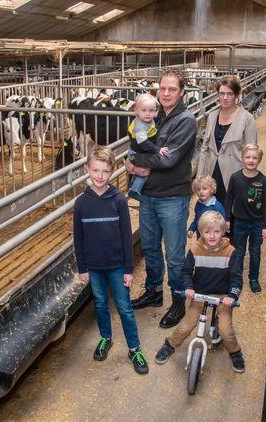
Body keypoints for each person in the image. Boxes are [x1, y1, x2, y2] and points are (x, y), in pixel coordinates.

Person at [126, 70, 197, 329]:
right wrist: (135, 163)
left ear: (182, 92)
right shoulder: (152, 115)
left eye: (172, 89)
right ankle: (154, 291)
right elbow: (135, 144)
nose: (166, 93)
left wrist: (135, 163)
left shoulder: (185, 120)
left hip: (172, 197)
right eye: (162, 89)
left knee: (175, 255)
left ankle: (177, 300)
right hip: (148, 195)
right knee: (150, 247)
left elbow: (168, 159)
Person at [73, 145, 149, 374]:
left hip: (117, 265)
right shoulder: (81, 203)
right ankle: (106, 337)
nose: (99, 176)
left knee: (125, 308)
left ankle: (134, 348)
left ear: (112, 171)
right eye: (95, 170)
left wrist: (128, 269)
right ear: (87, 169)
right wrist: (82, 268)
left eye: (105, 171)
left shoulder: (118, 200)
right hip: (93, 266)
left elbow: (126, 236)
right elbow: (79, 238)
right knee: (100, 304)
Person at [153, 211, 245, 373]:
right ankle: (170, 345)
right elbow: (186, 271)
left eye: (216, 231)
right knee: (186, 325)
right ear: (201, 232)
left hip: (223, 296)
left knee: (226, 330)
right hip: (200, 293)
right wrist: (188, 287)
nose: (212, 236)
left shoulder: (231, 251)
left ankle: (235, 352)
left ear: (223, 231)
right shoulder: (195, 249)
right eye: (207, 232)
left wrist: (232, 296)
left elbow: (236, 278)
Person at [197, 75, 258, 207]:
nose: (225, 98)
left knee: (230, 216)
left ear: (236, 95)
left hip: (233, 176)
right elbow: (204, 148)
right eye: (222, 93)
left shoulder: (247, 119)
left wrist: (247, 182)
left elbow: (252, 154)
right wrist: (200, 178)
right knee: (211, 215)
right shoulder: (212, 116)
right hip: (211, 175)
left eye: (229, 94)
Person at [225, 143, 266, 293]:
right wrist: (227, 219)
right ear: (242, 158)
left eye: (254, 158)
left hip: (257, 223)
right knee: (238, 251)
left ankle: (253, 278)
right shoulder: (235, 178)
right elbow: (229, 199)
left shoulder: (263, 180)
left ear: (260, 160)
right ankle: (236, 280)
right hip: (239, 222)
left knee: (255, 251)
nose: (251, 160)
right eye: (248, 157)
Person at [127, 93, 170, 197]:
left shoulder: (148, 121)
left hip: (139, 151)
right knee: (145, 171)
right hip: (138, 152)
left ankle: (133, 184)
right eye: (144, 110)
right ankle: (134, 190)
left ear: (156, 110)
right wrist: (157, 149)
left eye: (151, 111)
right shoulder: (140, 126)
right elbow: (143, 143)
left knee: (140, 171)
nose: (148, 114)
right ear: (136, 111)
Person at [187, 174, 226, 238]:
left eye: (205, 189)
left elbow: (222, 225)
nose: (201, 192)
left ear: (212, 189)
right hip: (200, 238)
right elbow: (197, 219)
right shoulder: (198, 204)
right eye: (198, 189)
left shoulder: (217, 206)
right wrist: (191, 229)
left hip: (214, 239)